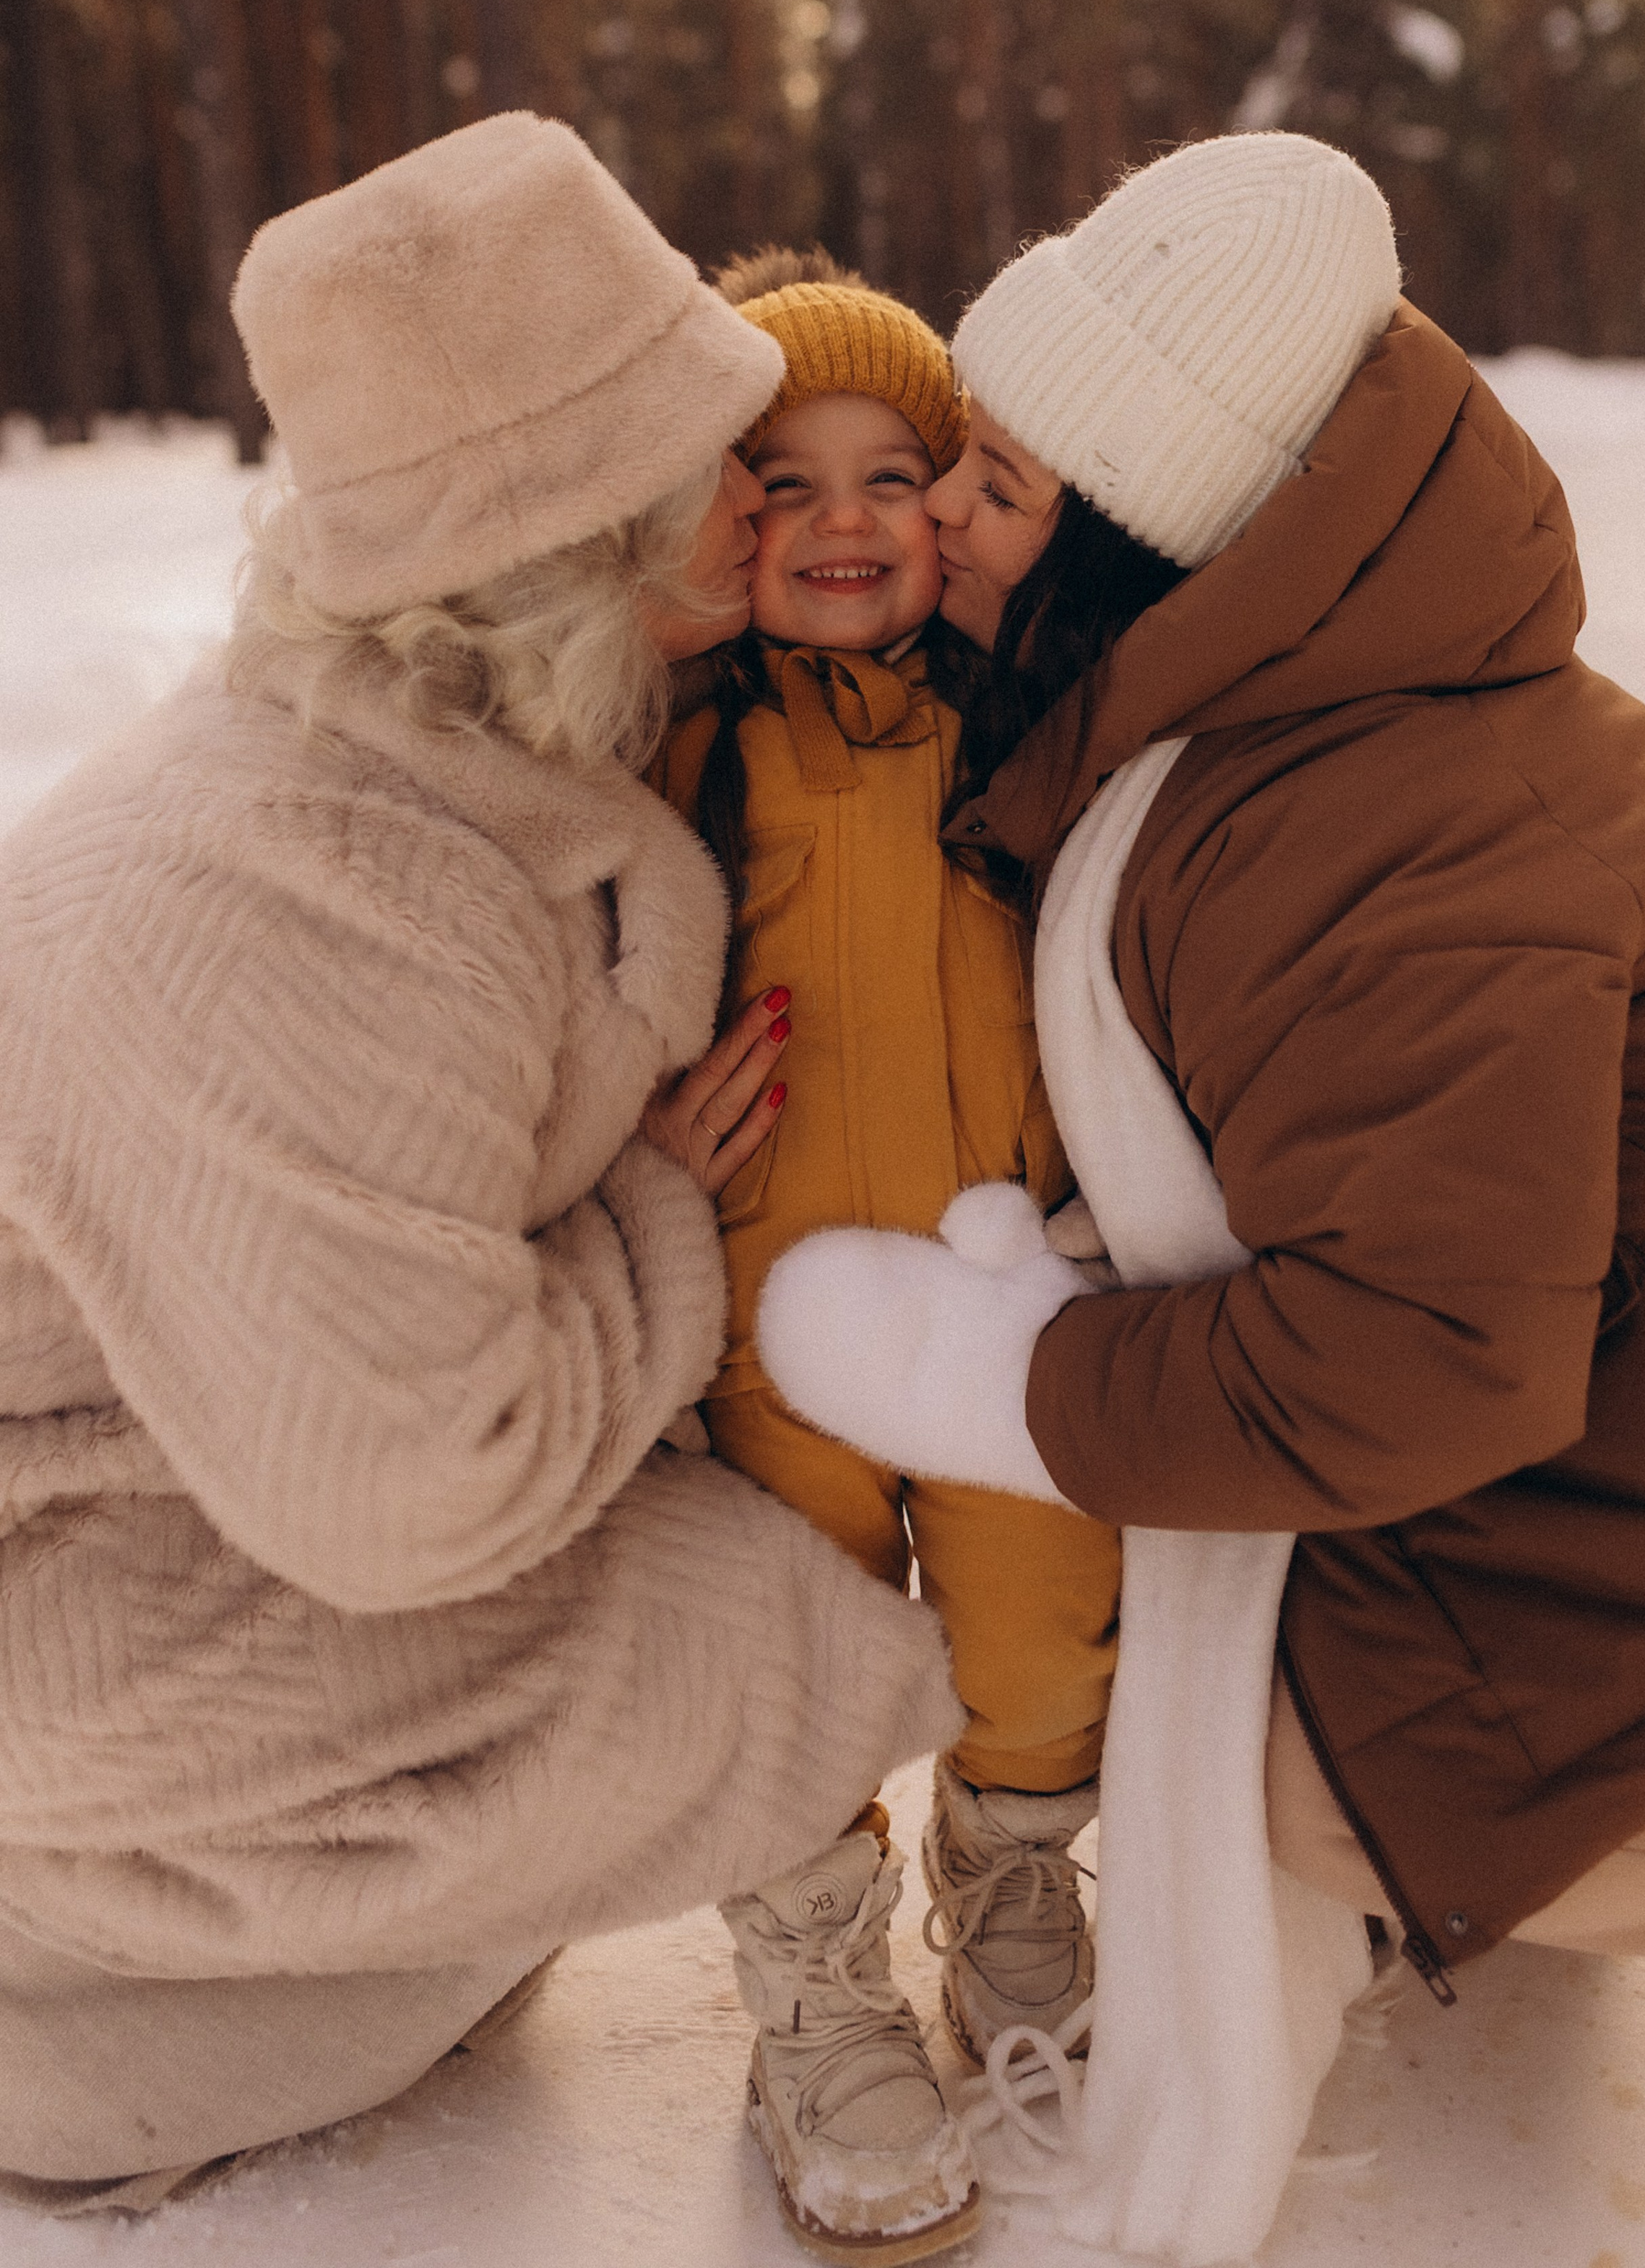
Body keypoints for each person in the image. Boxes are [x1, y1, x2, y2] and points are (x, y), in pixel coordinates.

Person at [756, 134, 1645, 2130]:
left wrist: (1009, 1371)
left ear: (1157, 538)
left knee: (1227, 1747)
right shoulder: (1312, 703)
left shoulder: (1388, 841)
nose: (944, 526)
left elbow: (1419, 1355)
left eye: (995, 487)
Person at [0, 114, 960, 2209]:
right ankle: (92, 1997)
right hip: (75, 1615)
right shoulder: (307, 909)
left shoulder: (468, 727)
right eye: (716, 445)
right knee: (742, 1636)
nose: (766, 471)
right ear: (580, 530)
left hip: (209, 1480)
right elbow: (406, 1486)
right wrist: (654, 1221)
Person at [652, 251, 1121, 2261]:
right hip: (769, 1324)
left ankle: (1014, 1887)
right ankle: (819, 1991)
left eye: (890, 474)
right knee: (791, 1658)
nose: (844, 522)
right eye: (786, 479)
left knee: (1040, 1631)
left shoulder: (1028, 730)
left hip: (1003, 1305)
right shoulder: (690, 756)